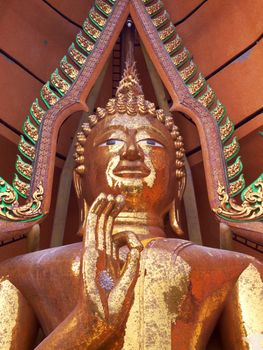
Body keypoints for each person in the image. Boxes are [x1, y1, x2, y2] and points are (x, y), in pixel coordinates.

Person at [0, 64, 262, 349]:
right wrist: (85, 327)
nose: (131, 152)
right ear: (80, 178)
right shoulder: (22, 273)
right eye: (111, 140)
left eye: (151, 141)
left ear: (178, 182)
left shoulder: (234, 270)